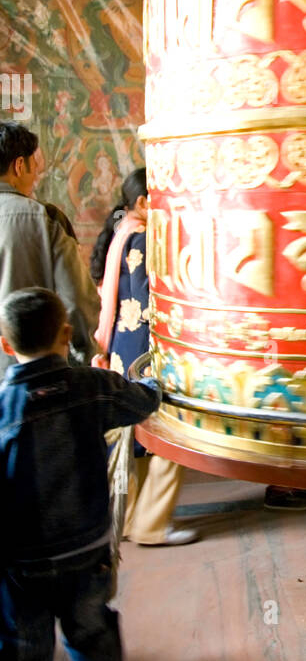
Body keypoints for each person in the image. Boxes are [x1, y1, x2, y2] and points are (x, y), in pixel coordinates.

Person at [0, 288, 162, 661]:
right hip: (86, 554)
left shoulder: (2, 409)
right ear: (66, 332)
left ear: (5, 344)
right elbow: (143, 400)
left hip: (19, 568)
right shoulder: (90, 388)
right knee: (94, 641)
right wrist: (154, 382)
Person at [92, 167, 198, 546]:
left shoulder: (120, 232)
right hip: (144, 348)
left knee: (129, 438)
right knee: (174, 430)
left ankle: (124, 519)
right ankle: (151, 523)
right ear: (142, 202)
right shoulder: (141, 239)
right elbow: (153, 299)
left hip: (122, 345)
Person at [0, 122, 99, 383]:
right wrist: (81, 355)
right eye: (35, 168)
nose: (36, 177)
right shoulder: (45, 218)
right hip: (35, 378)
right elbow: (77, 300)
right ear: (19, 166)